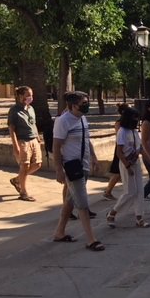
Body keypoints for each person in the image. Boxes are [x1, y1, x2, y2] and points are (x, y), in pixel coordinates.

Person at [52, 91, 104, 251]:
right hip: (72, 167)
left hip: (84, 165)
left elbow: (86, 139)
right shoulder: (63, 121)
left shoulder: (82, 118)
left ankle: (59, 232)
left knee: (70, 200)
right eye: (83, 103)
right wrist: (59, 170)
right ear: (73, 105)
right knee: (82, 203)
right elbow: (56, 146)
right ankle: (91, 239)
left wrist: (94, 156)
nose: (86, 106)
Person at [106, 107, 150, 228]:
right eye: (134, 118)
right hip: (127, 164)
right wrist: (127, 167)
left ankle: (139, 217)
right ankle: (112, 213)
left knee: (139, 192)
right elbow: (119, 152)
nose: (136, 120)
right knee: (129, 192)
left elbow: (140, 149)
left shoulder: (134, 132)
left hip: (136, 163)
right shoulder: (122, 132)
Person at [7, 86, 42, 202]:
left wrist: (37, 136)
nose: (30, 97)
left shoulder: (31, 108)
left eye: (31, 95)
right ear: (20, 96)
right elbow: (11, 129)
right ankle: (23, 192)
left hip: (33, 140)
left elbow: (33, 123)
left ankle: (17, 180)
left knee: (37, 164)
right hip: (23, 141)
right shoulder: (14, 110)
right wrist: (15, 145)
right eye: (28, 95)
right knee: (24, 166)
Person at [103, 103, 128, 201]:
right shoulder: (119, 123)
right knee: (117, 173)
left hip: (127, 149)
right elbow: (119, 137)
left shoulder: (128, 122)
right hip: (120, 149)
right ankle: (108, 191)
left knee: (121, 173)